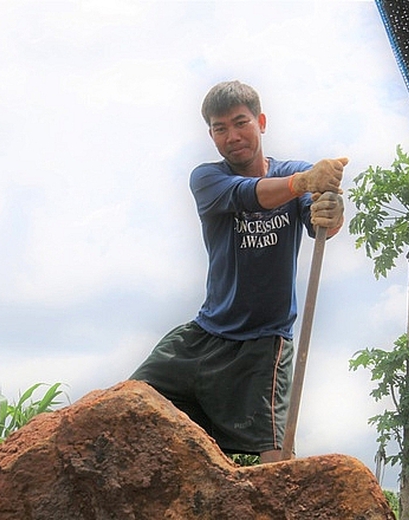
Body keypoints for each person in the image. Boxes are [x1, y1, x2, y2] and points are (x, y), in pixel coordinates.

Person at [131, 80, 347, 463]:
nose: (232, 136)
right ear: (211, 135)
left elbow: (321, 225)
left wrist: (330, 212)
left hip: (265, 342)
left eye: (240, 122)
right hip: (206, 334)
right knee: (127, 404)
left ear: (261, 122)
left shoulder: (296, 173)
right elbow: (248, 194)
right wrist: (303, 184)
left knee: (276, 459)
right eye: (220, 128)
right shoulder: (207, 179)